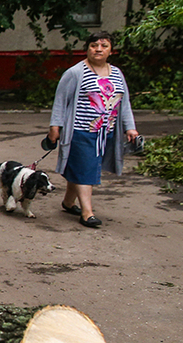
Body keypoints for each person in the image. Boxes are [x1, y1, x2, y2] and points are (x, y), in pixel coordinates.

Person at [46, 30, 140, 228]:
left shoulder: (117, 73)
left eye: (104, 46)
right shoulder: (75, 73)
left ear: (111, 51)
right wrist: (55, 127)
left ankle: (68, 202)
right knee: (86, 169)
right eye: (94, 46)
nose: (99, 49)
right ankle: (87, 213)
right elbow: (60, 102)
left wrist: (130, 128)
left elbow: (124, 103)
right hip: (80, 132)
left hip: (107, 132)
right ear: (87, 49)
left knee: (82, 168)